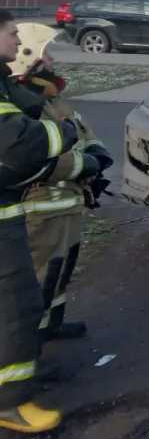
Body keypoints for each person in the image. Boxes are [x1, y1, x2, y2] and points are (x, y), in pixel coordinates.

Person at [0, 12, 80, 433]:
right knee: (15, 307)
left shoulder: (18, 90)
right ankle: (11, 401)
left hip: (17, 211)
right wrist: (63, 136)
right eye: (10, 33)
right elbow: (23, 146)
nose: (15, 39)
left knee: (27, 300)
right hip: (18, 213)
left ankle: (21, 382)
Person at [12, 24, 113, 345]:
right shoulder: (23, 103)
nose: (52, 60)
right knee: (39, 276)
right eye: (46, 55)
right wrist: (85, 165)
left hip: (68, 203)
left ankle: (51, 326)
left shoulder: (50, 95)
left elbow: (79, 129)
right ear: (28, 58)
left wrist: (97, 152)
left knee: (60, 271)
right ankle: (29, 345)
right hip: (42, 209)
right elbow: (35, 158)